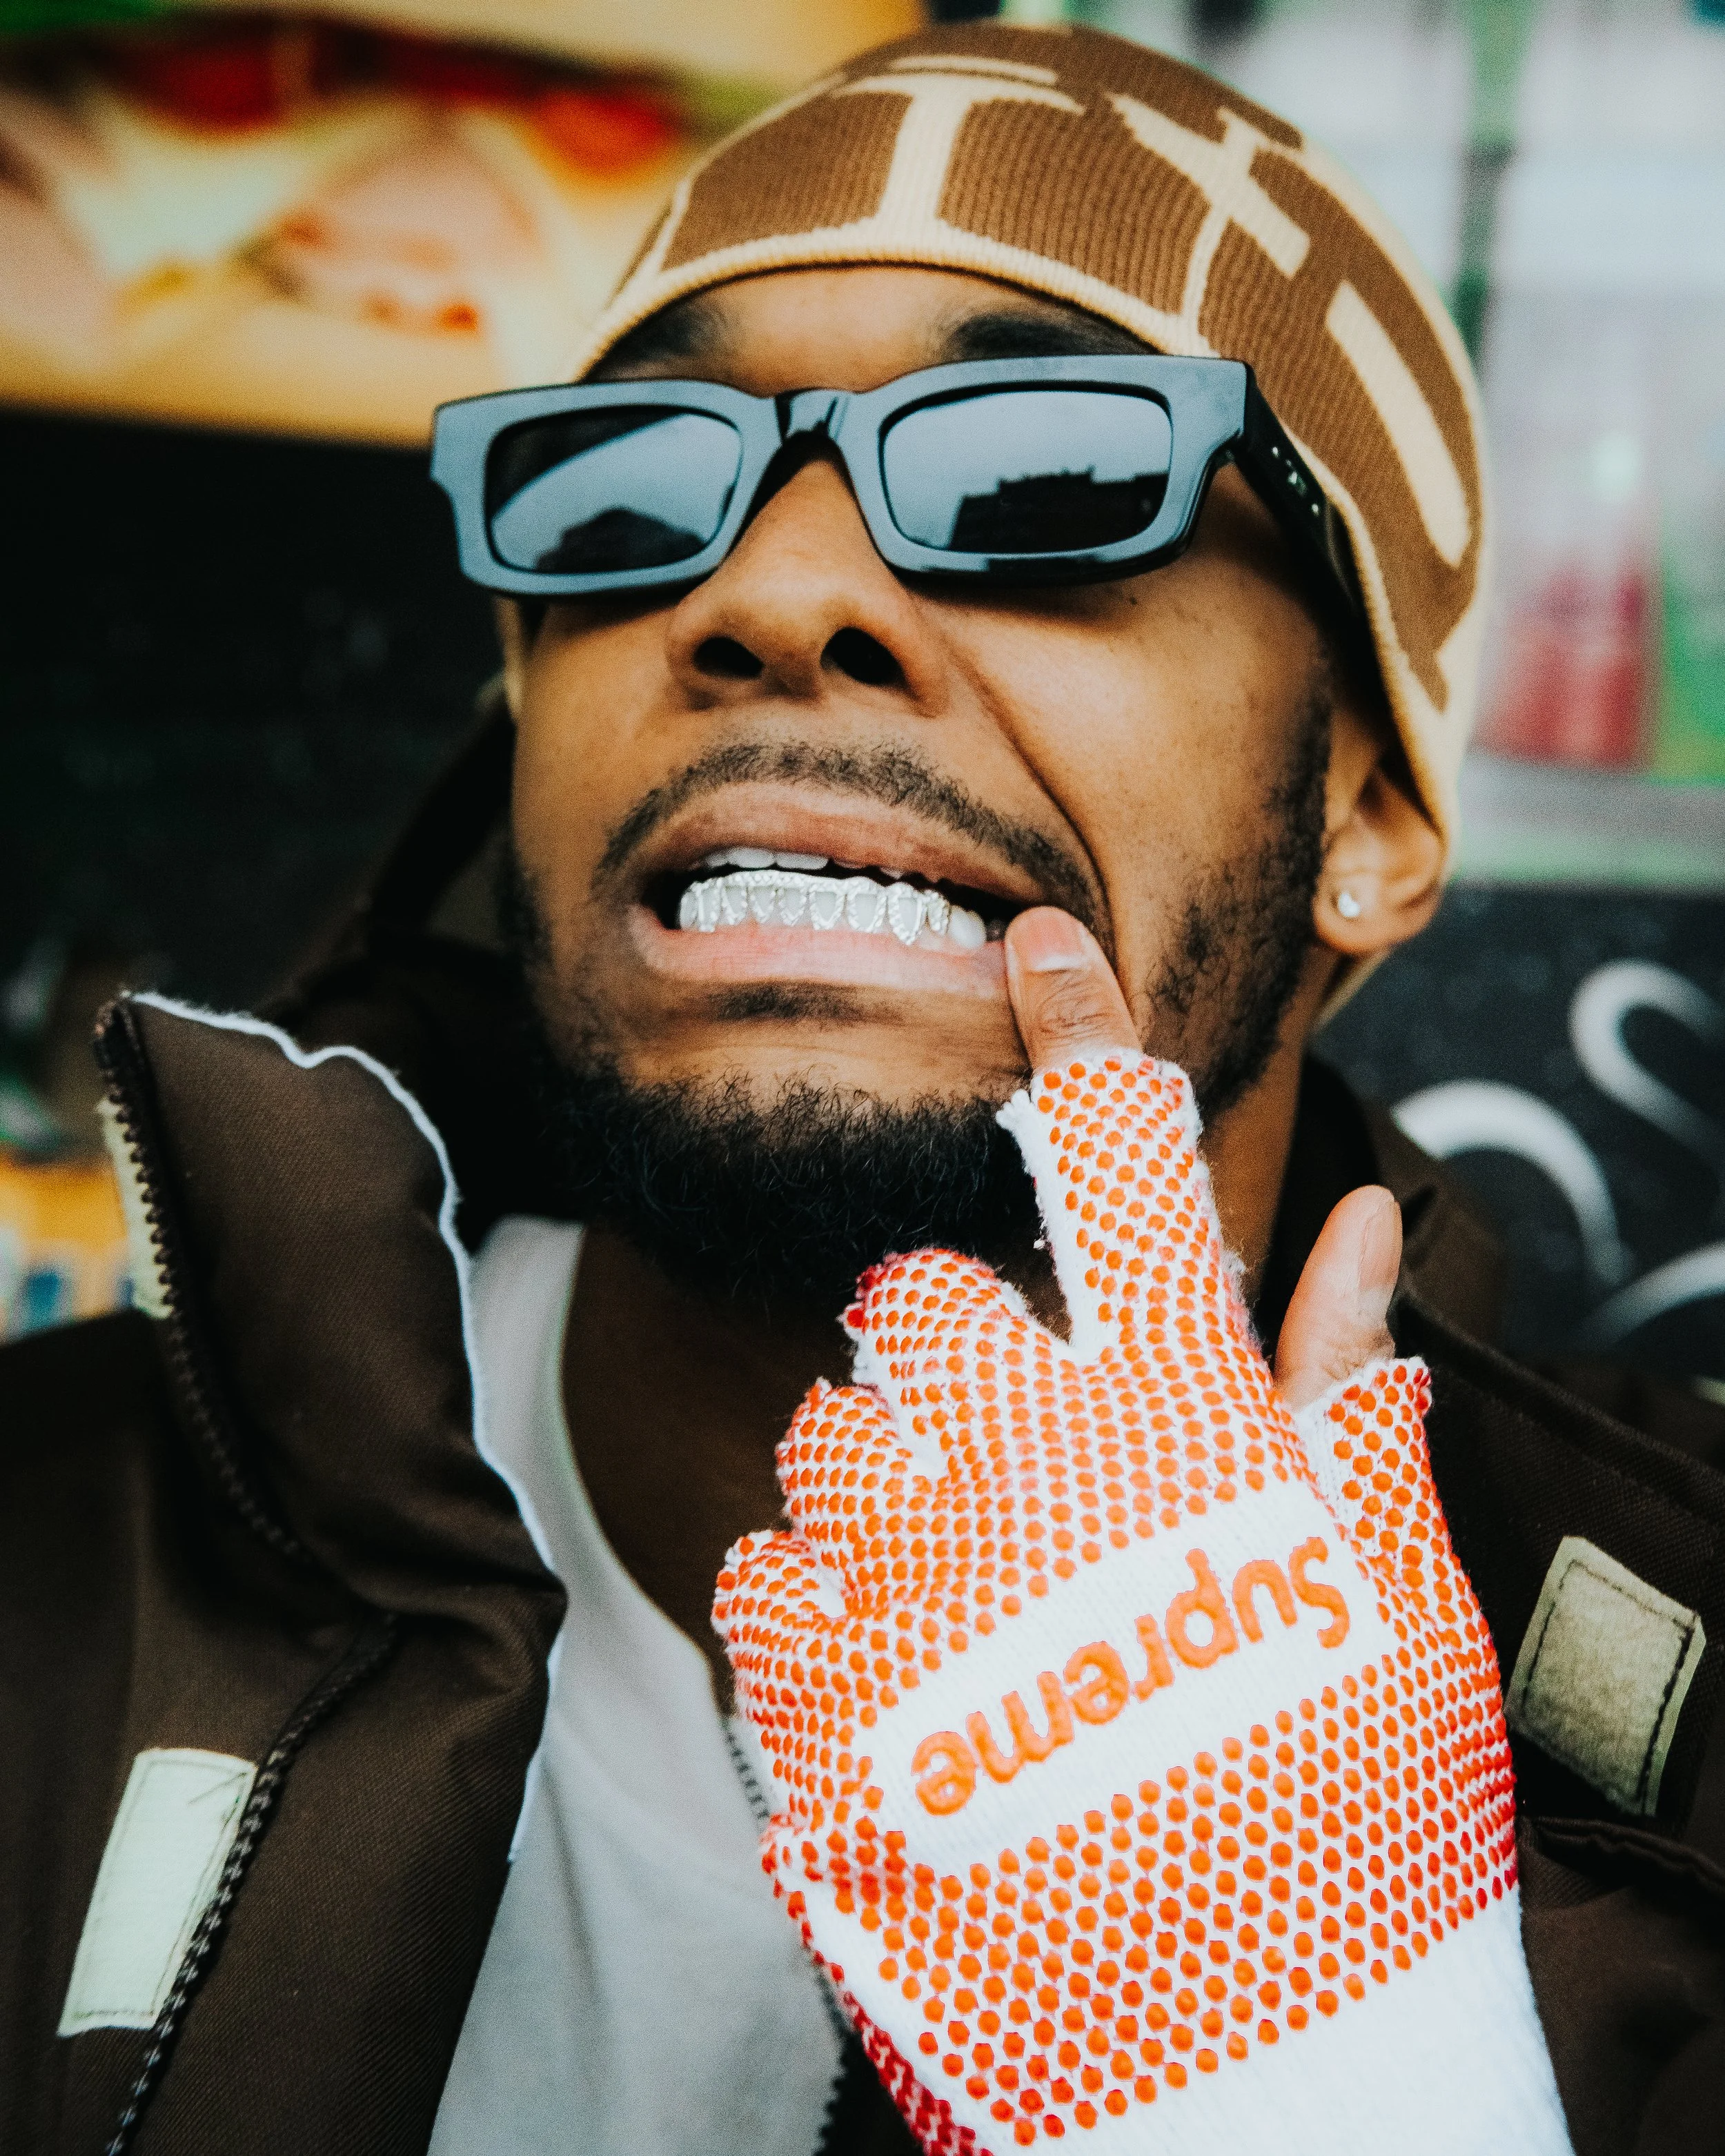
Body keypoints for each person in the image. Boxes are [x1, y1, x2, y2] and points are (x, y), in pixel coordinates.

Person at [2, 23, 1721, 2156]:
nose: (769, 591)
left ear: (1370, 804)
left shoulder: (1692, 1766)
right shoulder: (44, 1572)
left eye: (1030, 474)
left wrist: (1332, 2081)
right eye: (627, 493)